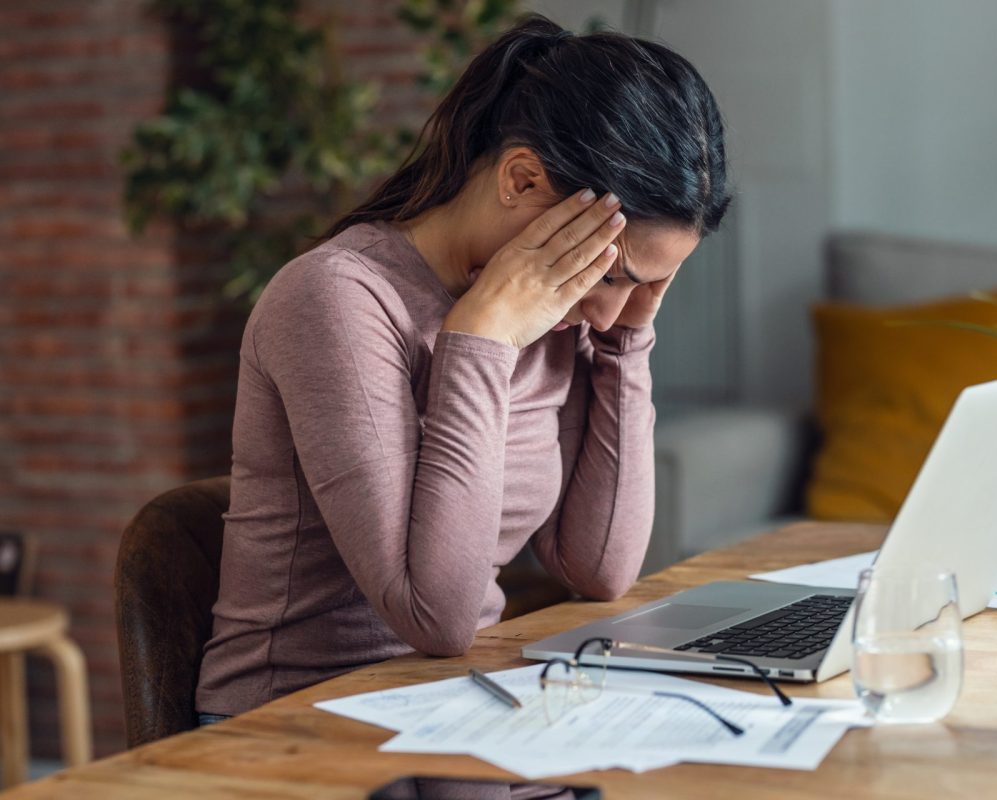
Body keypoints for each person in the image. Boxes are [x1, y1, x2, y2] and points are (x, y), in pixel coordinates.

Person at [195, 14, 730, 719]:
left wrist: (629, 341)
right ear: (521, 178)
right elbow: (436, 617)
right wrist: (480, 336)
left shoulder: (559, 307)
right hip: (298, 724)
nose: (605, 312)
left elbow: (597, 565)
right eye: (613, 274)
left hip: (458, 708)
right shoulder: (336, 298)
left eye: (643, 284)